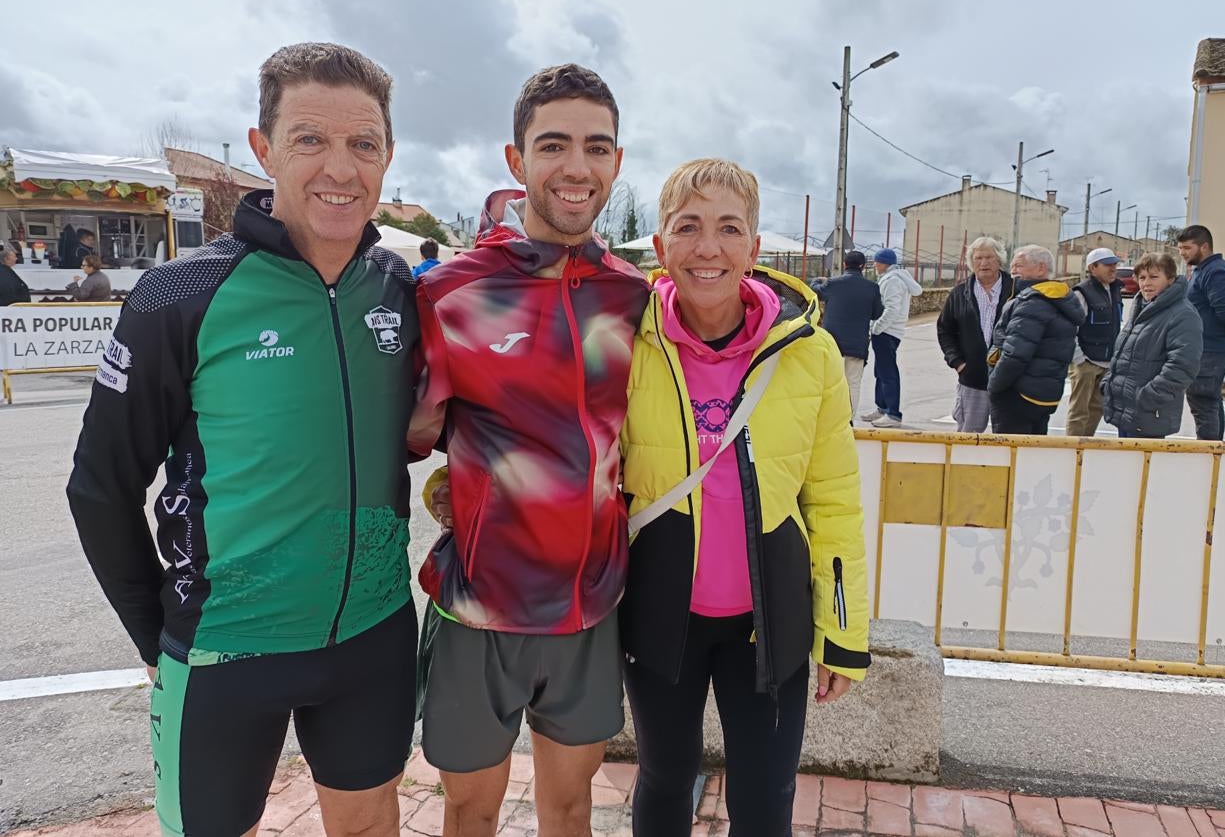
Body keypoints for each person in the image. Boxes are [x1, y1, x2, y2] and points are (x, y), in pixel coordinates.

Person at [67, 43, 419, 837]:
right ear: (262, 149)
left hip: (373, 634)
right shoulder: (182, 295)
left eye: (363, 143)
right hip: (225, 647)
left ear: (387, 156)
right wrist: (157, 634)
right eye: (309, 139)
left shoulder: (398, 288)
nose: (341, 166)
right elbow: (99, 486)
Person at [408, 64, 650, 837]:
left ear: (615, 161)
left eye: (596, 147)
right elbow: (406, 438)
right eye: (553, 145)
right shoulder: (451, 293)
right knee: (470, 811)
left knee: (572, 809)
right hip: (480, 609)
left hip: (590, 608)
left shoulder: (635, 296)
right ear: (516, 162)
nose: (576, 167)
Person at [618, 158, 868, 837]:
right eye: (688, 227)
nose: (708, 248)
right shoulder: (625, 340)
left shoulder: (809, 352)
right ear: (661, 245)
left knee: (764, 796)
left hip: (771, 617)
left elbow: (834, 498)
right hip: (659, 612)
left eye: (729, 228)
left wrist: (842, 633)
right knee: (664, 780)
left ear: (754, 249)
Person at [986, 245, 1084, 435]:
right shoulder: (1058, 299)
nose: (1013, 271)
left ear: (1041, 268)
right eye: (1012, 266)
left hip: (1018, 395)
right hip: (1043, 395)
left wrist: (994, 386)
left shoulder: (1032, 302)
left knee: (1011, 456)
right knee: (1033, 454)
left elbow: (1015, 353)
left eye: (1019, 266)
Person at [1103, 253, 1202, 439]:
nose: (1146, 283)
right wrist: (1109, 383)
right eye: (1142, 277)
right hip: (1126, 412)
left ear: (1170, 279)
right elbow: (1124, 352)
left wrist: (1146, 397)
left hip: (1148, 414)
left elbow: (1183, 367)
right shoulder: (1141, 306)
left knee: (1141, 467)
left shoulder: (1183, 314)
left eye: (1154, 277)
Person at [1177, 225, 1225, 440]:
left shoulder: (1216, 271)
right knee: (1208, 399)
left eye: (1187, 248)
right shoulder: (1203, 270)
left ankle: (1208, 454)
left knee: (1202, 399)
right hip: (1207, 346)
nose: (1182, 253)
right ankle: (1213, 450)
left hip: (1212, 348)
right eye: (1180, 248)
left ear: (1204, 246)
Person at [936, 236, 1013, 432]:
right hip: (973, 378)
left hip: (1010, 379)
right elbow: (945, 329)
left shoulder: (1016, 290)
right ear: (971, 262)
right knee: (968, 436)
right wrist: (957, 362)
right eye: (978, 258)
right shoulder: (960, 293)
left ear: (999, 260)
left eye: (989, 257)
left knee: (1008, 437)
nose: (984, 263)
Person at [809, 249, 883, 415]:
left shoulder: (833, 284)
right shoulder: (872, 288)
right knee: (853, 384)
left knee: (828, 383)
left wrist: (817, 280)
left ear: (844, 264)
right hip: (857, 345)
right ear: (863, 266)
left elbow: (814, 291)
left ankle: (828, 418)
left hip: (831, 343)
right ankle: (849, 421)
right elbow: (877, 313)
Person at [1065, 248, 1124, 437]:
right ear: (1093, 267)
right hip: (1086, 362)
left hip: (1107, 362)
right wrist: (1080, 359)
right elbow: (1071, 329)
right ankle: (1072, 452)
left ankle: (1085, 446)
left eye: (1114, 264)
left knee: (1097, 409)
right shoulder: (1081, 293)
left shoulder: (1115, 290)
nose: (1113, 268)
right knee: (1079, 411)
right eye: (1108, 264)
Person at [862, 248, 922, 427]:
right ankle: (882, 408)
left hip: (887, 332)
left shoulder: (892, 281)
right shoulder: (894, 278)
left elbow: (892, 309)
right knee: (880, 371)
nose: (874, 266)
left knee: (887, 373)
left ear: (883, 263)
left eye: (876, 262)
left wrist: (877, 328)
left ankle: (893, 414)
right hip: (888, 331)